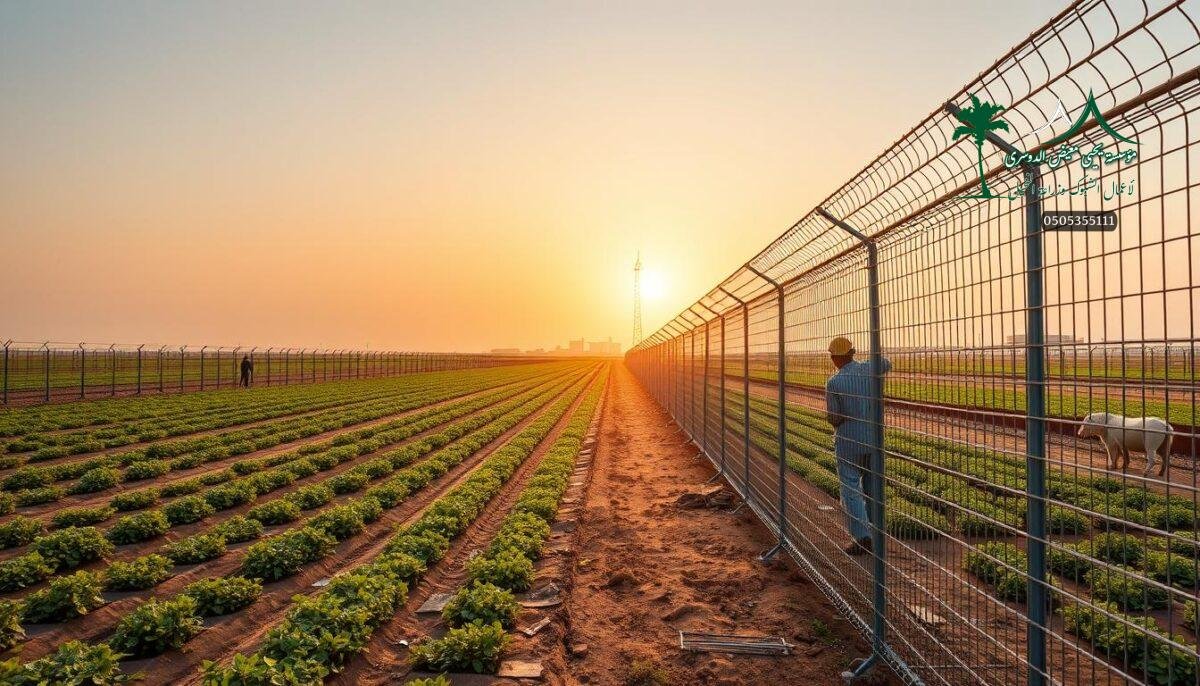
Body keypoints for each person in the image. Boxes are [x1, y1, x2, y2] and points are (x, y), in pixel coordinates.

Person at [825, 336, 890, 556]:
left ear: (834, 357)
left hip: (848, 442)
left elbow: (835, 417)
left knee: (851, 488)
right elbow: (886, 363)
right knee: (873, 487)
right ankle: (877, 532)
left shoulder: (834, 382)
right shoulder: (870, 370)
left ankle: (862, 537)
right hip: (873, 440)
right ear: (852, 353)